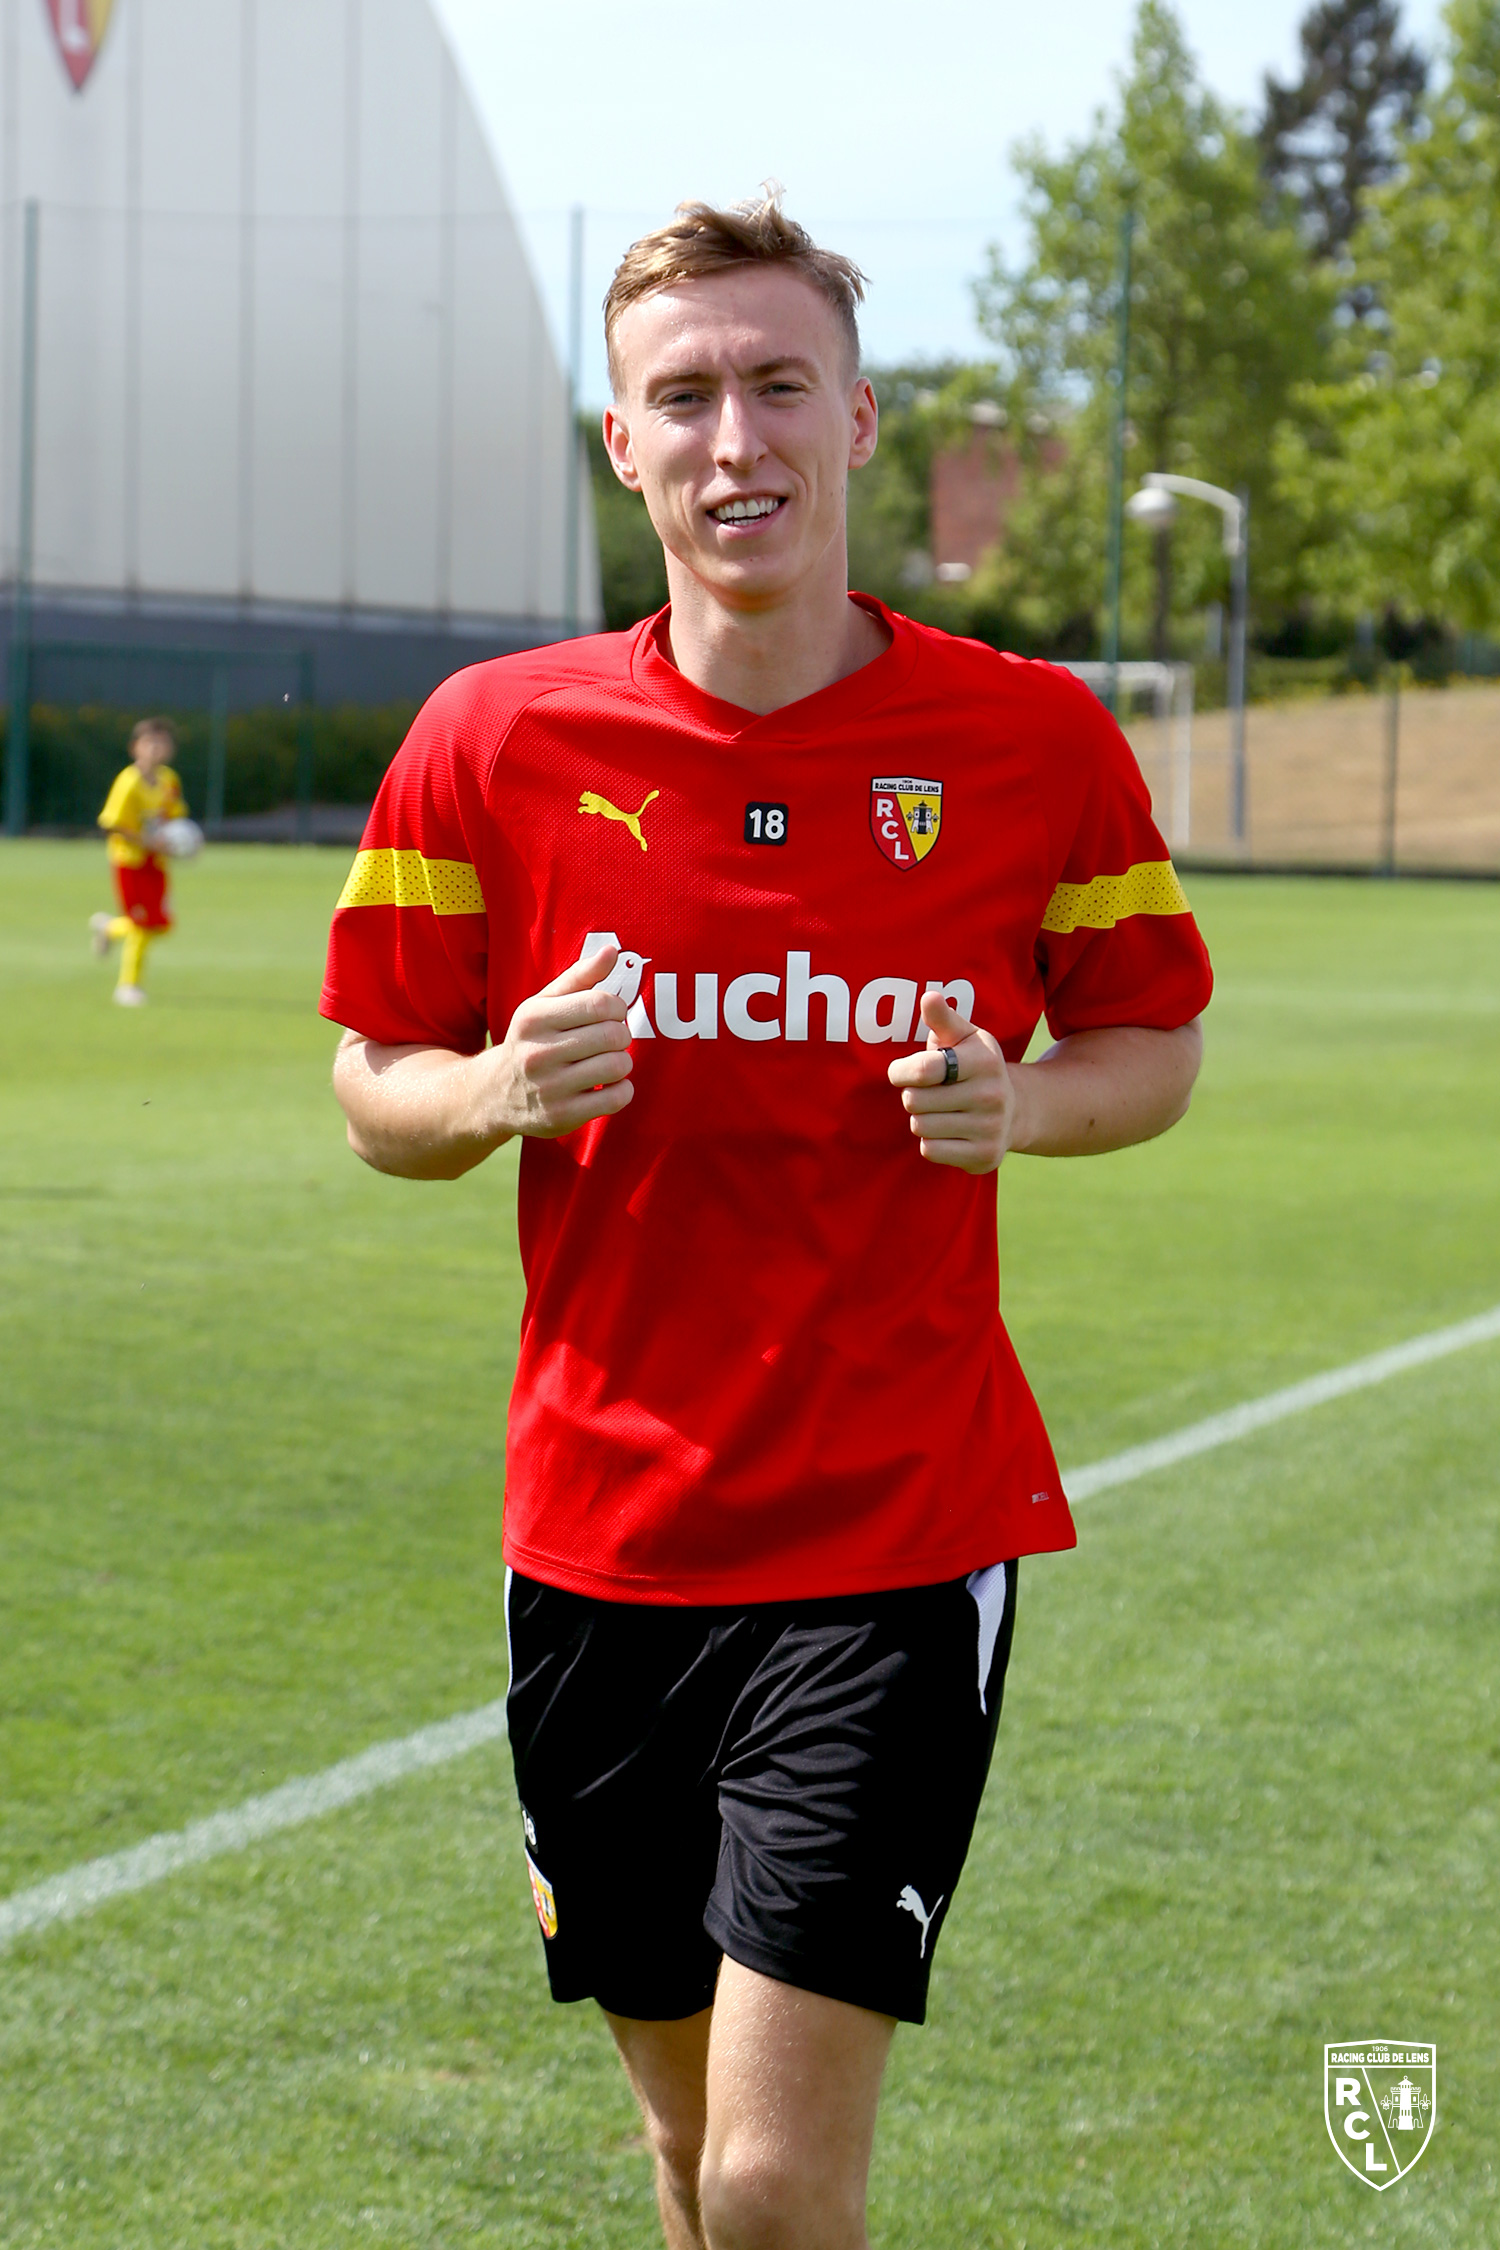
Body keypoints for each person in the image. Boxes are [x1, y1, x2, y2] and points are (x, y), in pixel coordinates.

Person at [321, 190, 1212, 2250]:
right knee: (681, 2164)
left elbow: (1151, 1040)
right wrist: (489, 1090)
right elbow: (376, 1085)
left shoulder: (1025, 739)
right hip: (599, 1549)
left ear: (862, 420)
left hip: (892, 1539)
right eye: (687, 396)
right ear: (620, 447)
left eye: (779, 386)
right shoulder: (495, 742)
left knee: (777, 2180)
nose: (740, 440)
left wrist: (1023, 1106)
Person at [91, 716, 187, 1006]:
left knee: (161, 924)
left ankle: (108, 928)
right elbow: (111, 823)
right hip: (129, 862)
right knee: (141, 925)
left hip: (156, 863)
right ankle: (128, 986)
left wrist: (178, 840)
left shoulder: (169, 780)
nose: (156, 748)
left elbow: (174, 814)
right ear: (135, 747)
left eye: (162, 743)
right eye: (150, 742)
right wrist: (146, 841)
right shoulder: (128, 782)